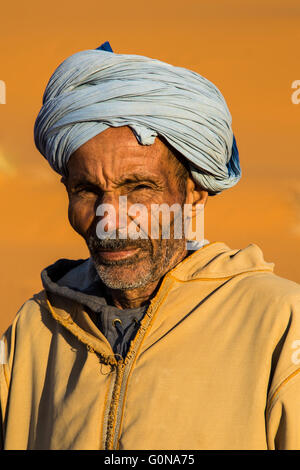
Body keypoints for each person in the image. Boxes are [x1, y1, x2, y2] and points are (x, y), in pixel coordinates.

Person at [1, 42, 300, 451]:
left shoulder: (279, 323)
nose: (110, 218)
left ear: (194, 193)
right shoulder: (35, 330)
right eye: (87, 190)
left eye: (138, 187)